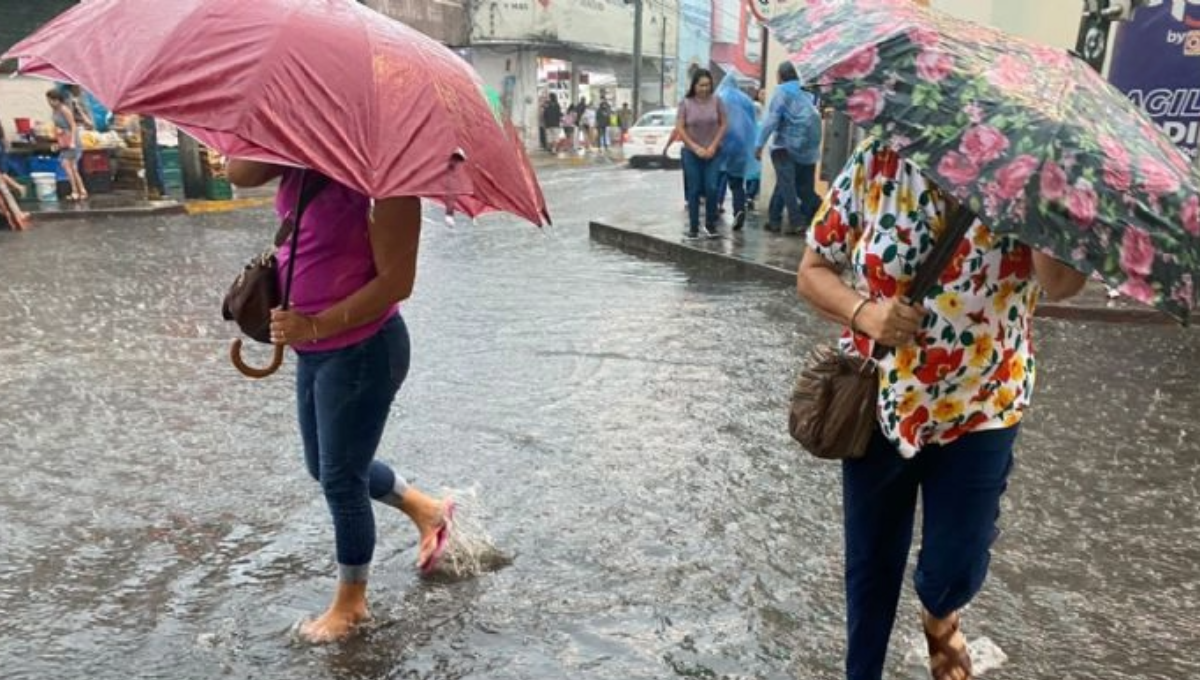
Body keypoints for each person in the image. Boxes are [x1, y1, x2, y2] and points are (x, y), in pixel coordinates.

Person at [796, 138, 1088, 680]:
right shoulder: (877, 163)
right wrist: (864, 313)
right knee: (871, 565)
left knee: (955, 562)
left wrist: (1049, 201)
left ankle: (940, 612)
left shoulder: (1029, 178)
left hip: (984, 406)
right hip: (883, 401)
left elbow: (1062, 284)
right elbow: (811, 270)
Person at [226, 160, 456, 644]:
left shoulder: (387, 181)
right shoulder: (305, 160)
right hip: (314, 351)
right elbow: (239, 174)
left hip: (363, 349)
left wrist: (315, 325)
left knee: (340, 477)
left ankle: (351, 603)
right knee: (323, 466)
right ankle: (427, 510)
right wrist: (279, 132)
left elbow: (397, 283)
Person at [755, 62, 822, 234]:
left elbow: (772, 119)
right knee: (794, 184)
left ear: (780, 75)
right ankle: (774, 220)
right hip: (808, 147)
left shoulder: (782, 91)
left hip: (785, 146)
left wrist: (759, 144)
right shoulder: (808, 90)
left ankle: (797, 220)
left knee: (788, 185)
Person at [675, 68, 727, 240]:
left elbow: (723, 124)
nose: (705, 88)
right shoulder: (686, 103)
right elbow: (680, 128)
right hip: (691, 153)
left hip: (713, 152)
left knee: (712, 187)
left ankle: (710, 225)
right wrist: (695, 147)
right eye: (701, 85)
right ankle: (693, 227)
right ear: (694, 86)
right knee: (694, 189)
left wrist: (713, 146)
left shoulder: (717, 101)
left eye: (708, 85)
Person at [714, 75, 758, 231]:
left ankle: (715, 207)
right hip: (741, 146)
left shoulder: (719, 97)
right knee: (737, 182)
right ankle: (739, 209)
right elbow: (753, 124)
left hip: (722, 143)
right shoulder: (746, 100)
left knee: (717, 177)